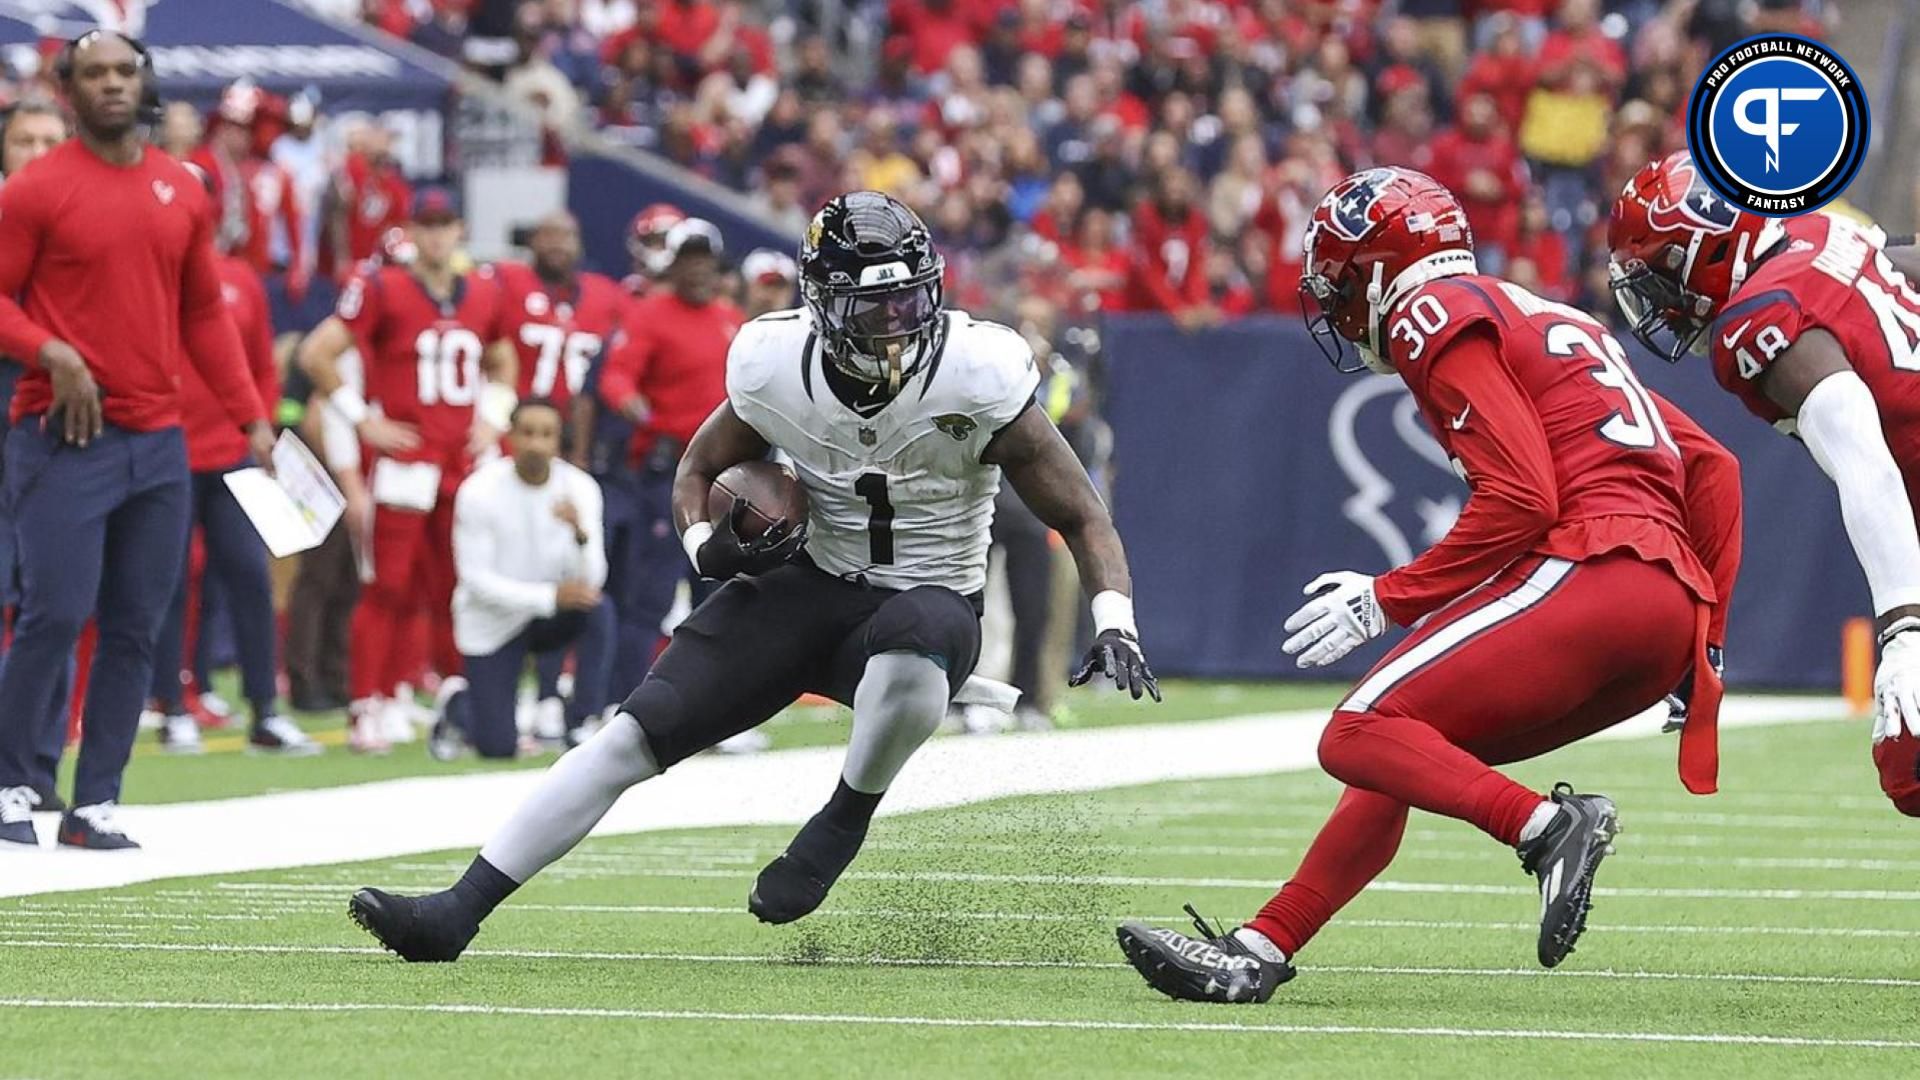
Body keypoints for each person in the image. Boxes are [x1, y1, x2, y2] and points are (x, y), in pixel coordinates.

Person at [347, 191, 1160, 962]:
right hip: (804, 587)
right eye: (874, 308)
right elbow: (697, 470)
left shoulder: (977, 370)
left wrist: (1115, 616)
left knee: (925, 638)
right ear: (824, 306)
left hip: (925, 595)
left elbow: (1082, 513)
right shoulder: (775, 363)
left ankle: (842, 820)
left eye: (911, 302)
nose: (896, 326)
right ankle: (458, 910)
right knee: (631, 734)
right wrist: (710, 550)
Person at [1115, 167, 1741, 1002]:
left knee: (1356, 732)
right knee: (1406, 753)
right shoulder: (1550, 317)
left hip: (1594, 569)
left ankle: (1549, 826)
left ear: (1378, 270)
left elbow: (1524, 496)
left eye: (1339, 283)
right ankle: (1261, 951)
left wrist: (1387, 598)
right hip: (1659, 606)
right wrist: (1706, 642)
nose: (1336, 306)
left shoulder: (1428, 308)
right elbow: (1714, 468)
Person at [0, 30, 273, 850]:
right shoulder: (35, 191)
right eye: (96, 74)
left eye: (126, 71)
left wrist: (253, 414)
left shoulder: (181, 189)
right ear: (69, 88)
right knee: (54, 612)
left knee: (136, 623)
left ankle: (98, 804)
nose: (113, 84)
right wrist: (49, 350)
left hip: (161, 441)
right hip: (63, 434)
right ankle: (13, 780)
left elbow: (202, 314)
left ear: (145, 82)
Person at [1609, 151, 1920, 817]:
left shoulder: (1761, 319)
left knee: (1911, 759)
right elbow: (1907, 260)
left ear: (1708, 252)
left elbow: (1865, 457)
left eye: (1660, 277)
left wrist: (1903, 630)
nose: (1655, 302)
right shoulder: (1818, 232)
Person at [297, 188, 517, 754]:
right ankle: (366, 702)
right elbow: (316, 353)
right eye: (428, 225)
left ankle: (451, 696)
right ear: (412, 230)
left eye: (446, 224)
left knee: (455, 585)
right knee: (386, 587)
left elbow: (503, 358)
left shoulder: (485, 290)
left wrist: (493, 416)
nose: (438, 235)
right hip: (405, 461)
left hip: (461, 461)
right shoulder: (381, 286)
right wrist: (362, 419)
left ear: (460, 229)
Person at [146, 161, 319, 756]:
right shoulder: (147, 271)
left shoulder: (241, 279)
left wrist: (260, 423)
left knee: (248, 575)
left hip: (228, 452)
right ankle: (171, 705)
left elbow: (262, 364)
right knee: (169, 582)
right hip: (165, 447)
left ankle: (264, 710)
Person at [591, 218, 742, 698]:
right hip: (670, 474)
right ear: (672, 266)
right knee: (650, 595)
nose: (698, 270)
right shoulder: (650, 315)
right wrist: (635, 406)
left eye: (705, 260)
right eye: (689, 260)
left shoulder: (729, 319)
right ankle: (625, 702)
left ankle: (714, 708)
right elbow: (616, 377)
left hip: (728, 477)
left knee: (722, 597)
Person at [434, 399, 613, 759]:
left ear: (558, 440)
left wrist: (580, 535)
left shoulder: (580, 488)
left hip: (550, 616)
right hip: (492, 623)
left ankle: (580, 720)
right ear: (510, 437)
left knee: (599, 609)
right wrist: (548, 597)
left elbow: (593, 579)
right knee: (497, 748)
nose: (535, 444)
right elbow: (475, 580)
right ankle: (457, 706)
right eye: (527, 433)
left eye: (546, 435)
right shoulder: (480, 491)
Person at [0, 99, 76, 813]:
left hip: (62, 439)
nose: (36, 151)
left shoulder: (84, 228)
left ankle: (35, 763)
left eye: (50, 139)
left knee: (54, 602)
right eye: (23, 140)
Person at [739, 248, 797, 318]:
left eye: (779, 287)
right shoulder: (726, 321)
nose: (772, 294)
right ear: (747, 286)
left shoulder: (802, 327)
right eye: (766, 285)